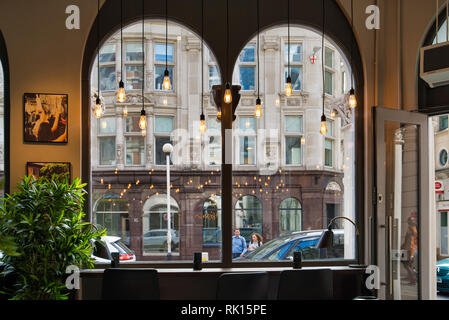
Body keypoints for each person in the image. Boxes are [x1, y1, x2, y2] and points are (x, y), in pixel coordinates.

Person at [401, 213, 418, 285]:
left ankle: (413, 280)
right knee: (408, 264)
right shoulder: (410, 228)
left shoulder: (412, 229)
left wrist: (411, 253)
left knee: (406, 264)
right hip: (409, 249)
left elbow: (411, 242)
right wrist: (402, 246)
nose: (409, 222)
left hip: (411, 250)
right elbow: (407, 240)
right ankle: (410, 277)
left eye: (411, 220)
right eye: (409, 220)